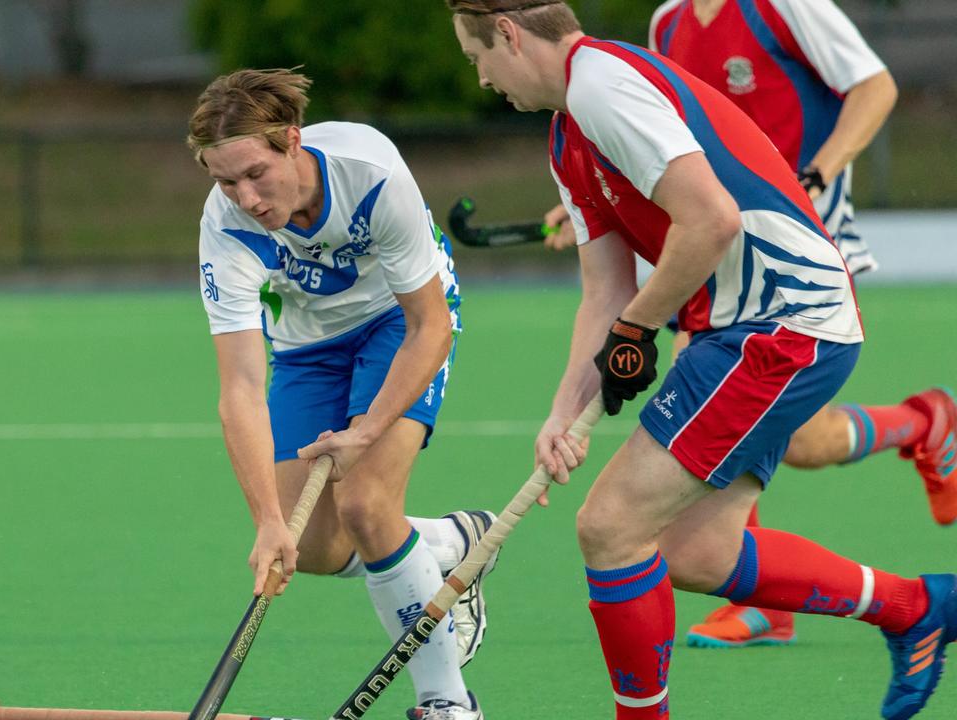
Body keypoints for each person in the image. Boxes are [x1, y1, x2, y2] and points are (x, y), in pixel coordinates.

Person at [448, 2, 956, 719]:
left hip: (782, 323)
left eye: (476, 59)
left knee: (610, 526)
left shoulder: (601, 84)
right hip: (742, 327)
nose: (481, 81)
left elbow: (710, 220)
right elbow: (607, 292)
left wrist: (636, 330)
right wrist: (565, 414)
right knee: (698, 553)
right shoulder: (568, 133)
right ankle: (915, 607)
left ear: (507, 33)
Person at [188, 68, 492, 719]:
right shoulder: (226, 226)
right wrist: (269, 520)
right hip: (305, 345)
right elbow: (239, 386)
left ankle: (448, 702)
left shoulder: (371, 176)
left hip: (398, 320)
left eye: (254, 174)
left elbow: (428, 324)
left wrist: (368, 427)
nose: (244, 196)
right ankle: (447, 545)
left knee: (366, 501)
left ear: (291, 141)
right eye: (224, 181)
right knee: (320, 550)